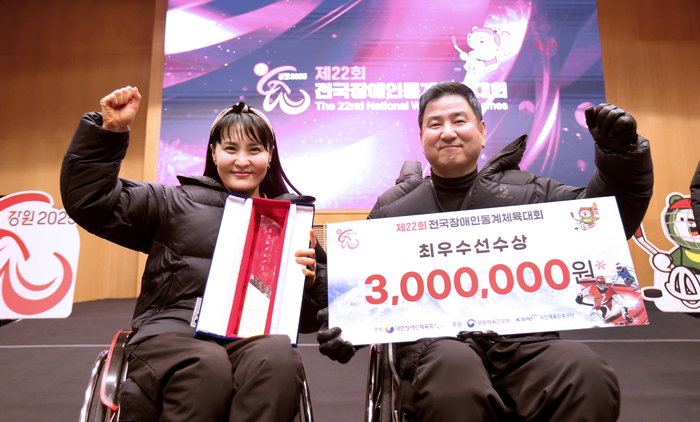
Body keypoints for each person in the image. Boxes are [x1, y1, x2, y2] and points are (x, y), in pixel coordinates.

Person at [317, 81, 653, 421]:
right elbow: (362, 289)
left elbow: (601, 222)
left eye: (458, 121)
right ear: (421, 137)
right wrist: (348, 325)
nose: (448, 132)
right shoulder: (393, 210)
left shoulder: (530, 193)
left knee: (586, 372)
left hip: (525, 343)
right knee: (454, 372)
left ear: (481, 131)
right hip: (436, 347)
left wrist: (620, 157)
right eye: (435, 124)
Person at [61, 86, 327, 422]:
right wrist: (109, 132)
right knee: (207, 365)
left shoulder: (289, 222)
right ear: (214, 153)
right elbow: (91, 202)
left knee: (278, 357)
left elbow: (309, 318)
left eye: (254, 149)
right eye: (230, 148)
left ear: (270, 155)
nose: (242, 161)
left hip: (249, 334)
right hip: (173, 331)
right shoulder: (173, 202)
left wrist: (309, 284)